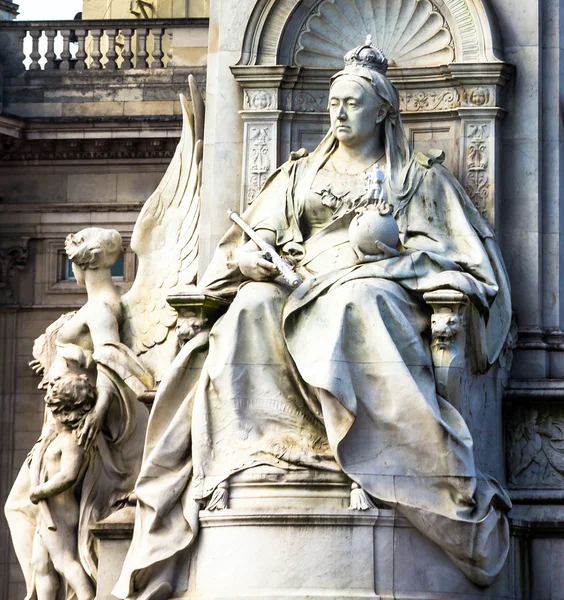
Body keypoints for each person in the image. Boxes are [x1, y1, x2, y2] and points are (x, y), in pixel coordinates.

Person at [115, 40, 513, 599]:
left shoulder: (417, 178)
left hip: (381, 287)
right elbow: (245, 243)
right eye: (331, 103)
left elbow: (460, 255)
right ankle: (259, 458)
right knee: (250, 308)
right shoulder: (300, 175)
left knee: (358, 303)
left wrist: (393, 258)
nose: (339, 114)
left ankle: (376, 462)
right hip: (295, 287)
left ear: (382, 110)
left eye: (351, 103)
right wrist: (249, 260)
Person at [6, 228, 151, 600]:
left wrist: (99, 408)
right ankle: (40, 591)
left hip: (69, 426)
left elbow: (109, 357)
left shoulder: (101, 306)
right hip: (57, 423)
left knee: (20, 508)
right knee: (28, 518)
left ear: (79, 261)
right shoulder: (97, 303)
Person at [29, 374, 97, 600]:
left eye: (52, 406)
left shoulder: (71, 441)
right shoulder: (57, 438)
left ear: (62, 410)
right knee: (40, 564)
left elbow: (68, 475)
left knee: (64, 562)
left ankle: (87, 596)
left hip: (61, 511)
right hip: (47, 511)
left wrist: (40, 491)